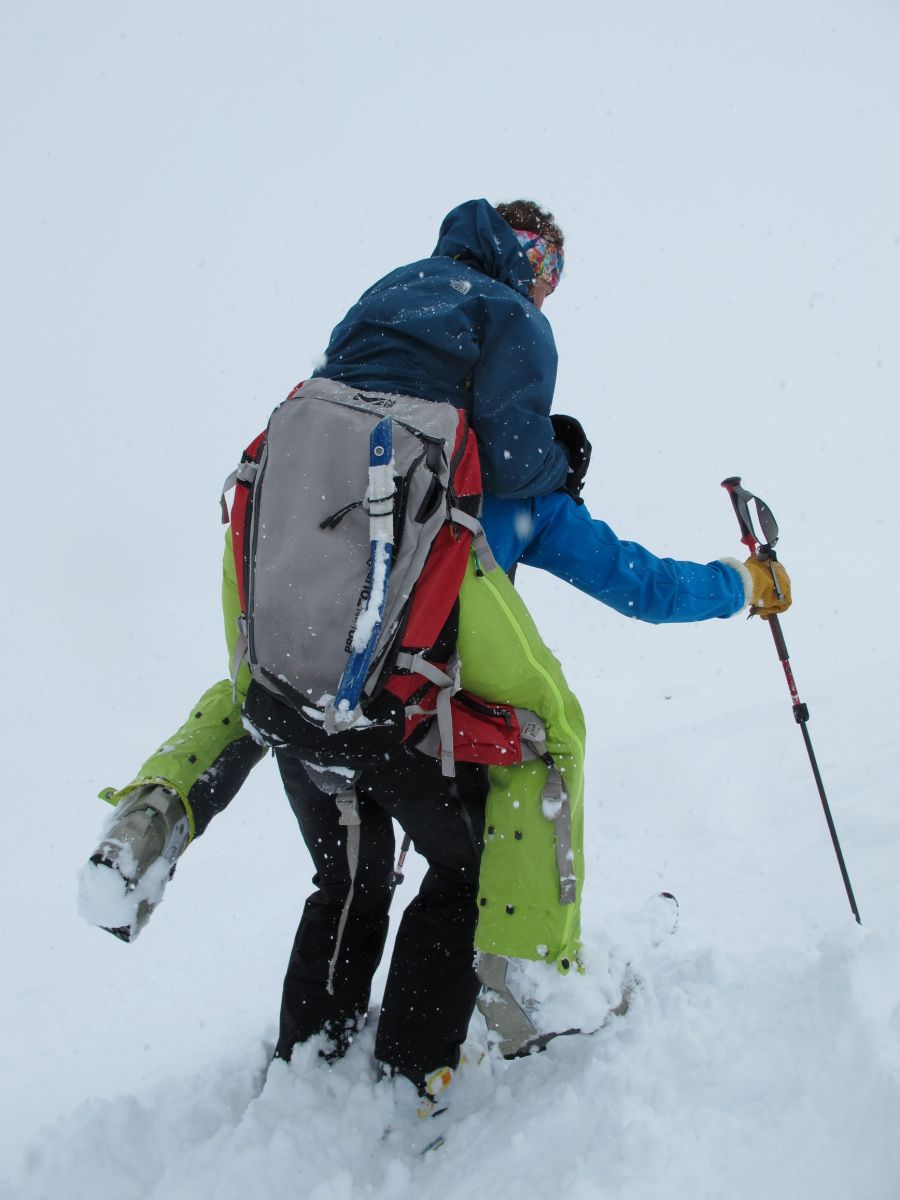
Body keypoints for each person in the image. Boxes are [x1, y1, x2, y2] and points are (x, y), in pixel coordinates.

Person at [83, 198, 790, 1133]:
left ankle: (299, 1037)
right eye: (544, 266)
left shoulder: (381, 339)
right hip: (415, 712)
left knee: (325, 831)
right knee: (514, 791)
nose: (545, 286)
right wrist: (745, 585)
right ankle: (482, 1017)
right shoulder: (520, 458)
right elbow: (643, 585)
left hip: (300, 662)